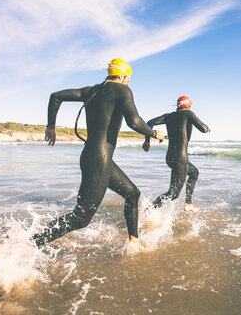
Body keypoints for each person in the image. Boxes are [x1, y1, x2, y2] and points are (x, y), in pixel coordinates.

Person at [32, 58, 164, 251]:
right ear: (121, 75)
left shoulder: (90, 90)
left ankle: (133, 242)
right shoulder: (123, 90)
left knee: (132, 193)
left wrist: (50, 126)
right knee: (81, 217)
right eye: (128, 78)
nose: (129, 81)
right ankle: (32, 243)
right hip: (99, 159)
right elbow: (134, 121)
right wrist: (153, 133)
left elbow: (55, 96)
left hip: (94, 156)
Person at [142, 96, 210, 211]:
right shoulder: (188, 113)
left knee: (194, 173)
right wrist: (208, 128)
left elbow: (150, 123)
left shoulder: (168, 116)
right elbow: (203, 129)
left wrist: (147, 141)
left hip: (170, 158)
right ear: (189, 105)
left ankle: (188, 204)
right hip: (180, 158)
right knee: (173, 194)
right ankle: (148, 210)